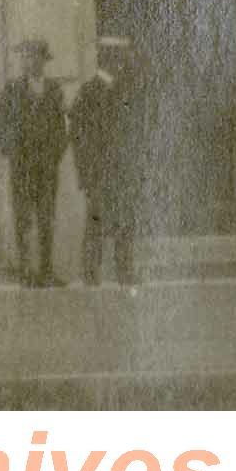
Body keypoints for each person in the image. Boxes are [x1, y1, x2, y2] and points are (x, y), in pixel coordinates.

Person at [69, 34, 146, 291]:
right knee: (96, 222)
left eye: (122, 57)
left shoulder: (127, 90)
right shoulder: (89, 91)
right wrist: (85, 173)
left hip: (123, 170)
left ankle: (125, 271)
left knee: (125, 220)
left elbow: (135, 133)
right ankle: (91, 273)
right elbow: (78, 137)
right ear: (107, 58)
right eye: (118, 56)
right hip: (99, 171)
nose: (122, 62)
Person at [0, 37, 69, 288]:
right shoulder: (11, 90)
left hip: (47, 167)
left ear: (43, 61)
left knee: (47, 218)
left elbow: (62, 127)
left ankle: (46, 270)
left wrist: (56, 153)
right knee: (23, 218)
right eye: (24, 57)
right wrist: (11, 151)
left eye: (33, 56)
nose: (28, 61)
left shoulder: (55, 90)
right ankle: (26, 270)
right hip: (22, 167)